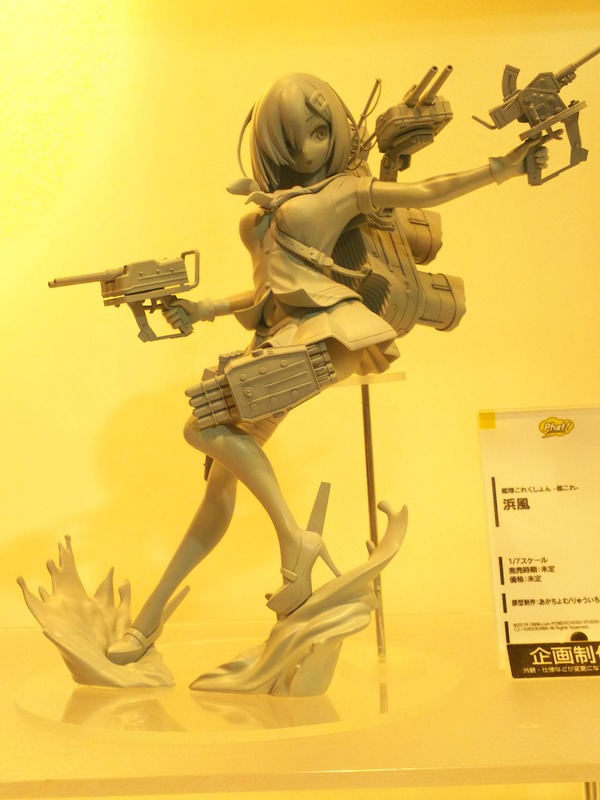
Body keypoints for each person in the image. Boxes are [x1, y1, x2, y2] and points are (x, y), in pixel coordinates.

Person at [107, 72, 547, 665]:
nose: (307, 151)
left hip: (332, 333)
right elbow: (268, 292)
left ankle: (294, 540)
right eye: (291, 141)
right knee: (219, 486)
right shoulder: (256, 220)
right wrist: (202, 309)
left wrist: (504, 167)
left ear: (337, 132)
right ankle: (149, 622)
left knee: (201, 427)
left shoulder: (342, 192)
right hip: (279, 337)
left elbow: (427, 192)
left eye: (318, 133)